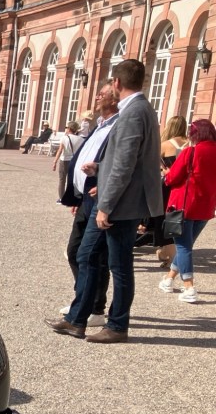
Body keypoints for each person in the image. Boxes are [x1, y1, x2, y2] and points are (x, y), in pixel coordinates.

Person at [45, 59, 163, 343]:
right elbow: (126, 160)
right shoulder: (140, 108)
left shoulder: (133, 112)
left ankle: (116, 325)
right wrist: (99, 168)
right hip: (120, 200)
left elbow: (124, 165)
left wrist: (106, 206)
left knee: (117, 264)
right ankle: (78, 319)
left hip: (120, 204)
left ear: (117, 83)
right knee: (89, 255)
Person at [57, 83, 120, 327]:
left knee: (95, 256)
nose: (96, 97)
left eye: (102, 94)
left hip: (101, 198)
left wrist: (103, 186)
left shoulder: (118, 125)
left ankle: (94, 308)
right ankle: (82, 300)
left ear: (114, 99)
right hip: (85, 198)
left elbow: (121, 164)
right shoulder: (99, 126)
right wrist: (77, 195)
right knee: (74, 251)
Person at [158, 118, 216, 303]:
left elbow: (172, 178)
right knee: (186, 246)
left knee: (183, 247)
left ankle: (189, 287)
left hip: (184, 204)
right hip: (205, 206)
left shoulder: (191, 152)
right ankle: (169, 279)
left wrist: (166, 174)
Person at [144, 115, 189, 267]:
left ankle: (170, 256)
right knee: (178, 220)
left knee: (163, 219)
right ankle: (170, 252)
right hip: (185, 187)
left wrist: (163, 170)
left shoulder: (164, 145)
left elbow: (152, 165)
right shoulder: (190, 144)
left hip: (167, 186)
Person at [52, 121, 84, 202]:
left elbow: (60, 150)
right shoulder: (81, 139)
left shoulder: (64, 138)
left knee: (62, 180)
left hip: (64, 160)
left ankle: (61, 198)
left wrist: (55, 161)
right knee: (72, 180)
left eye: (66, 127)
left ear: (69, 129)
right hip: (74, 161)